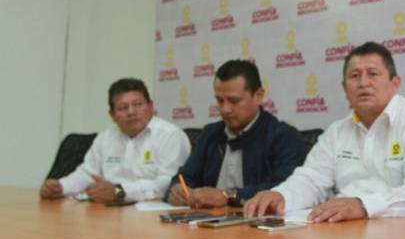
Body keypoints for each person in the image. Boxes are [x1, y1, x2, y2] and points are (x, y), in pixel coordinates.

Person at [244, 41, 405, 222]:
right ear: (344, 88)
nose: (363, 83)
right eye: (355, 76)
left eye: (373, 74)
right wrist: (281, 195)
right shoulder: (337, 132)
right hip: (353, 235)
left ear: (395, 83)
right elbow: (311, 179)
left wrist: (364, 205)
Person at [166, 59, 305, 208]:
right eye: (220, 100)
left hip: (254, 219)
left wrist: (229, 196)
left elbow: (286, 188)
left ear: (258, 96)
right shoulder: (210, 134)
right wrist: (177, 189)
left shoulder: (284, 137)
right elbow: (185, 176)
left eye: (234, 101)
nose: (225, 109)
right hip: (207, 219)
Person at [39, 78, 191, 203]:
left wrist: (119, 191)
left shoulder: (170, 135)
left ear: (151, 106)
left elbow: (168, 183)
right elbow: (87, 174)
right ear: (111, 115)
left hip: (152, 217)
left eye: (138, 104)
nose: (131, 112)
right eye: (123, 108)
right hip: (107, 212)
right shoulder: (105, 138)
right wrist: (60, 187)